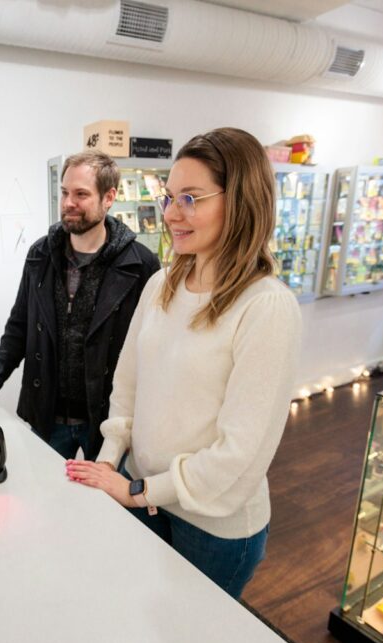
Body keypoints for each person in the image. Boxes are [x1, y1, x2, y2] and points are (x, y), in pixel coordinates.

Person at [66, 128, 301, 599]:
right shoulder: (162, 284)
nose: (172, 214)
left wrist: (135, 491)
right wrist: (109, 463)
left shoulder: (265, 307)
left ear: (240, 203)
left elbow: (241, 454)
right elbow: (128, 385)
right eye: (170, 197)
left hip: (211, 528)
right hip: (144, 498)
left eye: (191, 198)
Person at [0, 151, 160, 460]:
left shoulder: (141, 264)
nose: (68, 202)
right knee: (46, 497)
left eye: (81, 194)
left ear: (109, 197)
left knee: (105, 505)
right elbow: (19, 326)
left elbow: (151, 348)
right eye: (65, 192)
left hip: (108, 418)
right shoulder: (40, 253)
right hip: (48, 413)